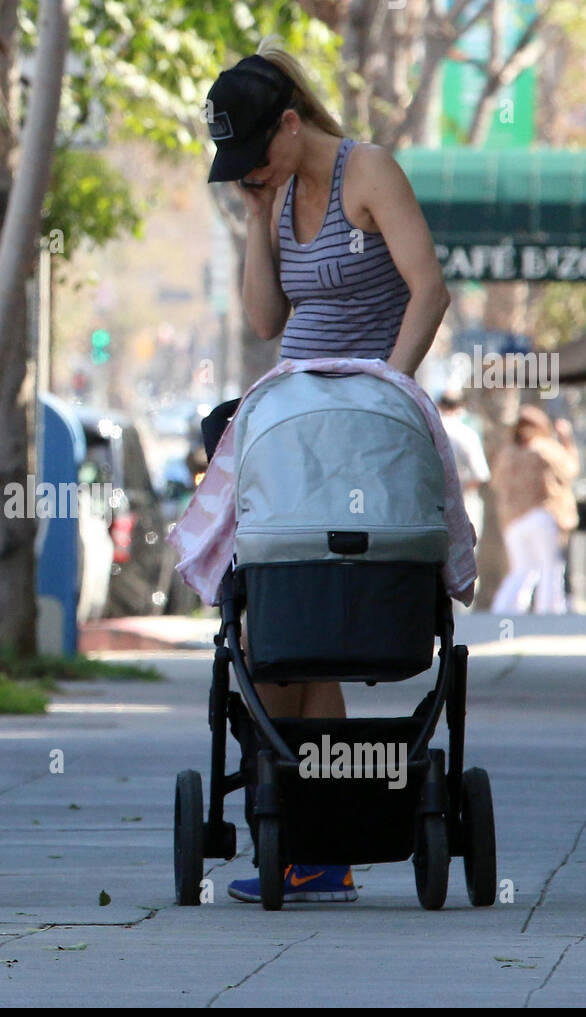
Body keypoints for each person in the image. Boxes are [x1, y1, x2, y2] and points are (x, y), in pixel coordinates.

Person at [205, 39, 450, 903]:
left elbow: (430, 288)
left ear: (292, 123)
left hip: (369, 424)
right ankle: (313, 835)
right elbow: (269, 317)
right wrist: (253, 213)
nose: (251, 170)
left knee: (312, 640)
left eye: (257, 153)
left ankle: (322, 839)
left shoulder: (367, 171)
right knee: (275, 637)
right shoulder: (273, 196)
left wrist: (388, 387)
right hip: (293, 427)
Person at [489, 406, 578, 615]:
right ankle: (549, 614)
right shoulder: (545, 449)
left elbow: (495, 484)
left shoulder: (507, 454)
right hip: (541, 515)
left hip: (512, 520)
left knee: (522, 570)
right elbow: (570, 469)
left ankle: (503, 610)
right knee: (550, 567)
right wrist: (566, 440)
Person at [438, 389, 491, 543]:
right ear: (461, 407)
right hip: (463, 504)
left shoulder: (429, 430)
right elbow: (480, 474)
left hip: (433, 506)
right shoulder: (466, 434)